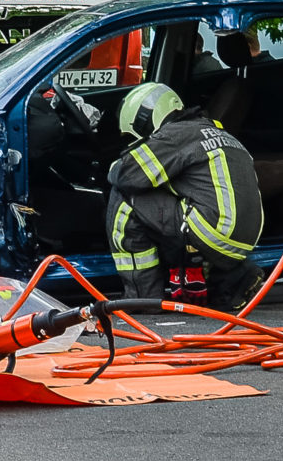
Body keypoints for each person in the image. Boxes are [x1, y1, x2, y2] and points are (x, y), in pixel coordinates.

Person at [105, 82, 265, 310]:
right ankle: (235, 279)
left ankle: (142, 297)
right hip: (243, 240)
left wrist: (113, 165)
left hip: (210, 230)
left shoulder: (175, 134)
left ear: (146, 118)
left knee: (125, 198)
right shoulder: (216, 131)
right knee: (177, 204)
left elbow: (127, 174)